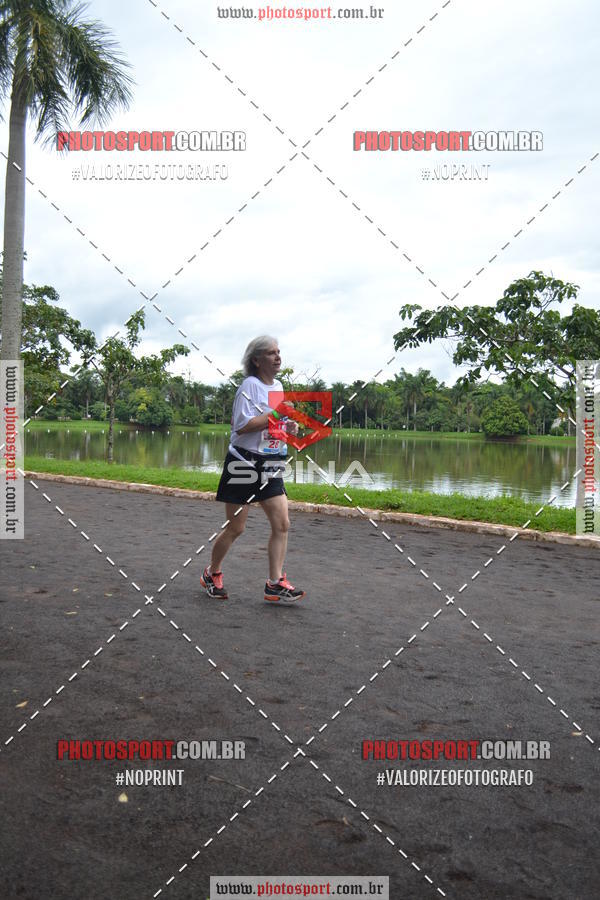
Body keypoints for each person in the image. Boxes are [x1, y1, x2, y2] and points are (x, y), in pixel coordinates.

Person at [201, 335, 306, 604]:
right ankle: (212, 574)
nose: (278, 357)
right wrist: (277, 414)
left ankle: (274, 583)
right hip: (243, 462)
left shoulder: (279, 386)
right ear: (256, 360)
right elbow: (242, 425)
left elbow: (275, 425)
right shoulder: (248, 386)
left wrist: (288, 427)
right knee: (237, 528)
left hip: (269, 462)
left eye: (279, 352)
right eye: (271, 353)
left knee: (282, 524)